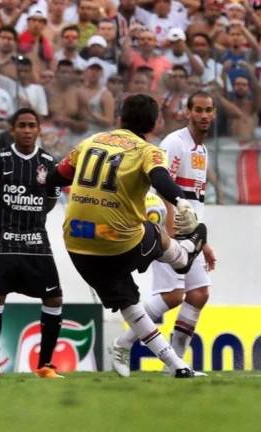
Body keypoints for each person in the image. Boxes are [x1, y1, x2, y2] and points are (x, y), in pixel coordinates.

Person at [46, 94, 209, 379]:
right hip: (117, 241)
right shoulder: (149, 150)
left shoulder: (90, 142)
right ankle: (183, 256)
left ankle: (178, 367)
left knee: (128, 304)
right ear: (155, 124)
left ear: (120, 119)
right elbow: (160, 178)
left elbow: (56, 177)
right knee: (151, 229)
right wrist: (181, 202)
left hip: (76, 242)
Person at [112, 92, 217, 378]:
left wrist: (202, 243)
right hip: (170, 233)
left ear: (215, 114)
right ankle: (121, 344)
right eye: (198, 110)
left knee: (198, 294)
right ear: (187, 112)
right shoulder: (175, 143)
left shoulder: (201, 150)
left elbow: (194, 202)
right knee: (172, 296)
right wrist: (167, 234)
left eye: (208, 110)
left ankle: (177, 364)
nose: (204, 115)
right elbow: (160, 186)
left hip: (191, 235)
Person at [0, 108, 64, 380]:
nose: (27, 131)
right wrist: (1, 222)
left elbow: (50, 199)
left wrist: (32, 218)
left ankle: (45, 365)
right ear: (12, 129)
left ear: (39, 130)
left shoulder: (49, 163)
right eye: (22, 126)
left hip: (36, 242)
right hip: (4, 243)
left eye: (32, 126)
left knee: (54, 298)